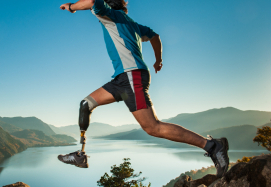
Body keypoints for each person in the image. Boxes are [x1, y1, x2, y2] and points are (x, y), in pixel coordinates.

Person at [57, 0, 230, 177]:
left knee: (153, 127)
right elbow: (155, 36)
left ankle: (212, 146)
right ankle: (80, 154)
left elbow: (93, 1)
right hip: (122, 78)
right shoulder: (133, 24)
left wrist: (71, 7)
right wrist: (158, 59)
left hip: (131, 76)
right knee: (86, 104)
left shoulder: (109, 15)